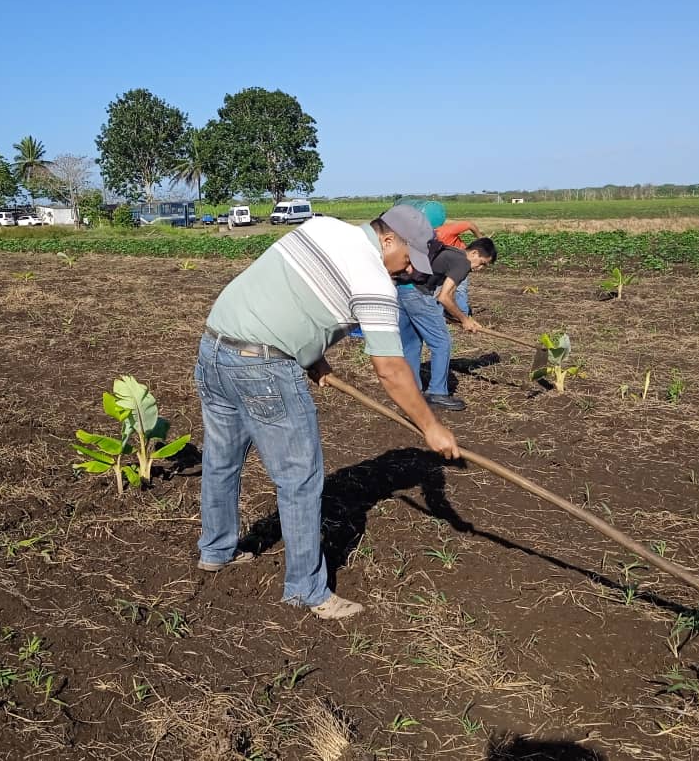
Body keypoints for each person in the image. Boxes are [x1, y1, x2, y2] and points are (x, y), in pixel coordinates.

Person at [194, 206, 461, 621]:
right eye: (408, 259)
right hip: (263, 367)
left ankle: (216, 550)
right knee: (299, 479)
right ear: (388, 240)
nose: (406, 270)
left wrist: (311, 353)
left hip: (214, 347)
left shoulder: (322, 227)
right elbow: (390, 368)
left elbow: (289, 294)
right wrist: (430, 426)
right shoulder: (374, 280)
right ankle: (306, 590)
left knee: (222, 459)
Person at [396, 236, 498, 411]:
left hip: (403, 290)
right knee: (441, 343)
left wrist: (453, 317)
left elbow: (440, 295)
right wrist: (465, 319)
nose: (480, 269)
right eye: (482, 263)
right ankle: (437, 393)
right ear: (474, 253)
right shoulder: (463, 263)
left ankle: (411, 391)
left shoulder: (450, 252)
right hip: (418, 295)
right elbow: (444, 297)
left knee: (411, 344)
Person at [434, 220, 486, 316]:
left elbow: (470, 224)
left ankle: (463, 315)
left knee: (460, 288)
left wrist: (481, 239)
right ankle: (442, 314)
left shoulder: (446, 231)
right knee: (441, 290)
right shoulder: (426, 240)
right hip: (445, 265)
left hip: (462, 262)